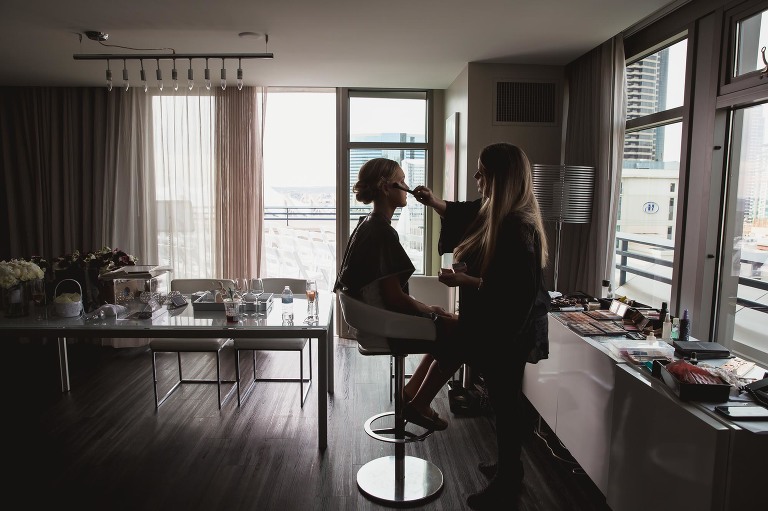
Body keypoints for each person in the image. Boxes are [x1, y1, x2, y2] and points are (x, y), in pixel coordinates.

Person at [412, 142, 549, 510]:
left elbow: (514, 292)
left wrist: (467, 282)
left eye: (482, 173)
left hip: (510, 330)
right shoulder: (497, 213)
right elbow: (465, 215)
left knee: (505, 404)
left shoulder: (518, 227)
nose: (476, 179)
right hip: (496, 326)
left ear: (500, 178)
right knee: (503, 402)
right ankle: (510, 469)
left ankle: (508, 482)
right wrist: (435, 203)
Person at [333, 157, 462, 431]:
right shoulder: (382, 233)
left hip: (372, 320)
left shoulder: (367, 224)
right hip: (384, 324)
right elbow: (393, 298)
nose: (406, 187)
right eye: (401, 181)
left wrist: (431, 310)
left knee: (448, 325)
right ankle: (419, 405)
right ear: (384, 187)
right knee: (460, 334)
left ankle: (409, 394)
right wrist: (430, 310)